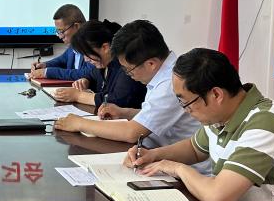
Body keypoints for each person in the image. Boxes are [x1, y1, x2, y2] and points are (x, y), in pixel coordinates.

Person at [127, 47, 274, 201]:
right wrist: (152, 155)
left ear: (216, 95)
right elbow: (194, 148)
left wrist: (176, 168)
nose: (185, 111)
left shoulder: (266, 122)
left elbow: (217, 198)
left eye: (186, 103)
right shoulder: (223, 115)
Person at [54, 20, 201, 150]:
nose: (128, 74)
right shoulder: (164, 72)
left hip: (179, 165)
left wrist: (80, 123)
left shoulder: (171, 83)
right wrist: (125, 113)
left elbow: (132, 133)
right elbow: (155, 117)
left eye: (128, 70)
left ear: (151, 64)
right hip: (153, 151)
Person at [51, 19, 145, 116]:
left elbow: (118, 100)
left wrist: (78, 96)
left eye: (87, 54)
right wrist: (85, 80)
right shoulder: (103, 64)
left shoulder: (126, 65)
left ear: (105, 47)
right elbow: (91, 75)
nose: (86, 60)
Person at [29, 3, 97, 82]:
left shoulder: (93, 44)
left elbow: (87, 73)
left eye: (61, 31)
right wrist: (44, 65)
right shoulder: (73, 45)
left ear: (76, 26)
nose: (60, 36)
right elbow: (62, 60)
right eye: (57, 32)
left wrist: (47, 72)